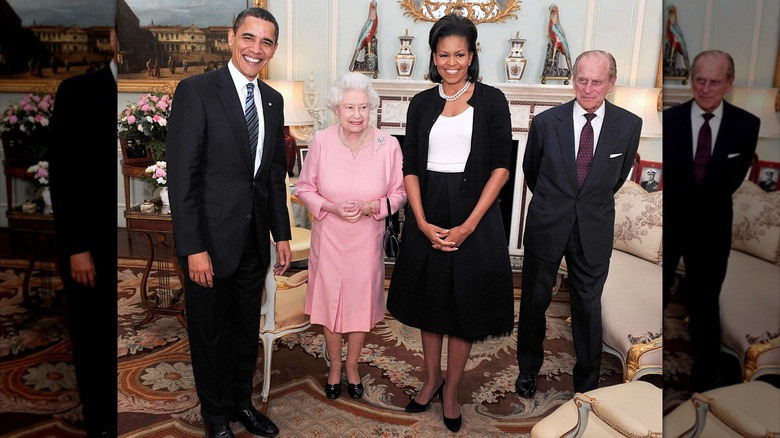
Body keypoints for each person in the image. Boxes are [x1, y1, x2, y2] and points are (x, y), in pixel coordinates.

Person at [386, 14, 515, 433]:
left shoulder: (493, 100)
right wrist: (420, 221)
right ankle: (430, 379)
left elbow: (501, 167)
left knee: (463, 308)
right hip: (429, 210)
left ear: (473, 55)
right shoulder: (421, 103)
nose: (452, 62)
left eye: (460, 54)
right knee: (430, 302)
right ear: (434, 56)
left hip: (474, 214)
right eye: (444, 54)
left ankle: (452, 389)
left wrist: (469, 225)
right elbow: (409, 166)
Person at [167, 7, 290, 438]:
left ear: (274, 49)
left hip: (254, 242)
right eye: (250, 38)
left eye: (267, 42)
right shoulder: (196, 92)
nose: (257, 49)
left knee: (243, 332)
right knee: (209, 334)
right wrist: (193, 246)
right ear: (231, 38)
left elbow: (273, 175)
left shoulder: (273, 100)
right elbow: (182, 178)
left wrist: (282, 235)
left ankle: (241, 403)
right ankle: (215, 414)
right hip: (209, 244)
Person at [515, 50, 642, 398]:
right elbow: (532, 173)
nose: (587, 89)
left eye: (596, 81)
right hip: (547, 224)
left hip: (593, 228)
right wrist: (558, 203)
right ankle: (527, 369)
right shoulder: (545, 123)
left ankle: (587, 383)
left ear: (611, 84)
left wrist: (585, 204)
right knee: (534, 301)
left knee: (587, 307)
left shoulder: (629, 125)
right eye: (581, 80)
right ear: (574, 80)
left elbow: (616, 179)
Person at [295, 72, 406, 401]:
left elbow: (399, 194)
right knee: (329, 302)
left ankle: (353, 366)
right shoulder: (322, 141)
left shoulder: (389, 145)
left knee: (360, 303)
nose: (356, 115)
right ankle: (333, 367)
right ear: (336, 109)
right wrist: (330, 206)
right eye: (349, 108)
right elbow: (304, 188)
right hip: (329, 235)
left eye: (362, 107)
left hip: (366, 239)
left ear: (371, 108)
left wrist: (373, 205)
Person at [663, 50, 759, 392]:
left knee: (705, 305)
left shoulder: (747, 125)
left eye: (714, 82)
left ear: (729, 84)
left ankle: (703, 386)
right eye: (699, 80)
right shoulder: (669, 120)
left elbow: (729, 182)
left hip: (712, 229)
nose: (705, 89)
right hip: (670, 225)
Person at [48, 26, 118, 438]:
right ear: (112, 39)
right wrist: (75, 246)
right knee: (91, 334)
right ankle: (100, 421)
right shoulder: (76, 91)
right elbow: (63, 176)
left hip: (115, 238)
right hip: (86, 243)